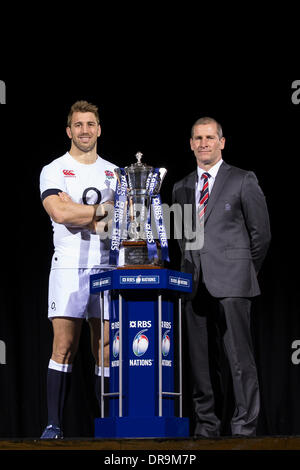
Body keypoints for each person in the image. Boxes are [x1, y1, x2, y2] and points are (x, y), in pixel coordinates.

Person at [172, 117, 271, 438]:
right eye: (198, 138)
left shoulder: (243, 180)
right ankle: (207, 425)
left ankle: (244, 425)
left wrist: (244, 271)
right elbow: (181, 238)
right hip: (193, 283)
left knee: (240, 359)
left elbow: (262, 236)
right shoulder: (181, 186)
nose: (204, 143)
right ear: (191, 144)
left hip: (234, 281)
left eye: (210, 137)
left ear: (222, 142)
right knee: (200, 362)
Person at [39, 100, 117, 438]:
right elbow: (60, 214)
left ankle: (107, 426)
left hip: (107, 266)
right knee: (63, 346)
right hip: (68, 266)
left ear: (99, 129)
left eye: (90, 124)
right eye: (78, 125)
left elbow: (120, 223)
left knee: (105, 347)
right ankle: (54, 425)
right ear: (69, 131)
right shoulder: (54, 169)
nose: (85, 130)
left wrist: (80, 210)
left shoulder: (116, 173)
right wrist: (102, 211)